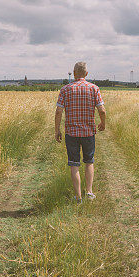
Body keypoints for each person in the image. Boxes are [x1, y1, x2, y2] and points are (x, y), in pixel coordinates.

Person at [55, 61, 106, 202]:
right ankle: (89, 193)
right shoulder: (94, 88)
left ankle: (78, 197)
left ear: (74, 73)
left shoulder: (65, 89)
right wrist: (103, 123)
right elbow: (102, 110)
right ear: (87, 74)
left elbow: (59, 111)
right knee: (89, 162)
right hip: (89, 132)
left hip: (71, 133)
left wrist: (57, 130)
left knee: (74, 164)